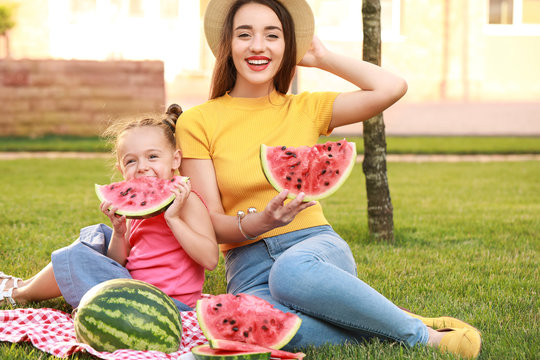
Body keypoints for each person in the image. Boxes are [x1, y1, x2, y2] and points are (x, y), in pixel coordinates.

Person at [176, 0, 482, 358]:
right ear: (229, 45)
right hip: (247, 264)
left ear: (287, 45)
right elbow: (209, 223)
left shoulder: (308, 107)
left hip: (313, 248)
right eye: (245, 35)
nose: (258, 46)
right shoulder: (197, 122)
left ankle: (425, 338)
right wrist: (260, 222)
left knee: (291, 273)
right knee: (255, 329)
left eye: (272, 35)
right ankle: (386, 320)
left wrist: (322, 55)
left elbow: (392, 87)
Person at [0, 105, 219, 312]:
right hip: (133, 288)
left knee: (77, 257)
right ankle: (23, 284)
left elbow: (210, 260)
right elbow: (117, 262)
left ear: (175, 159)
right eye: (131, 161)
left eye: (152, 157)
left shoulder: (188, 200)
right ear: (120, 169)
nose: (142, 167)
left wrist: (174, 220)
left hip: (163, 305)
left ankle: (20, 294)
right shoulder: (136, 207)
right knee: (99, 234)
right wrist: (120, 232)